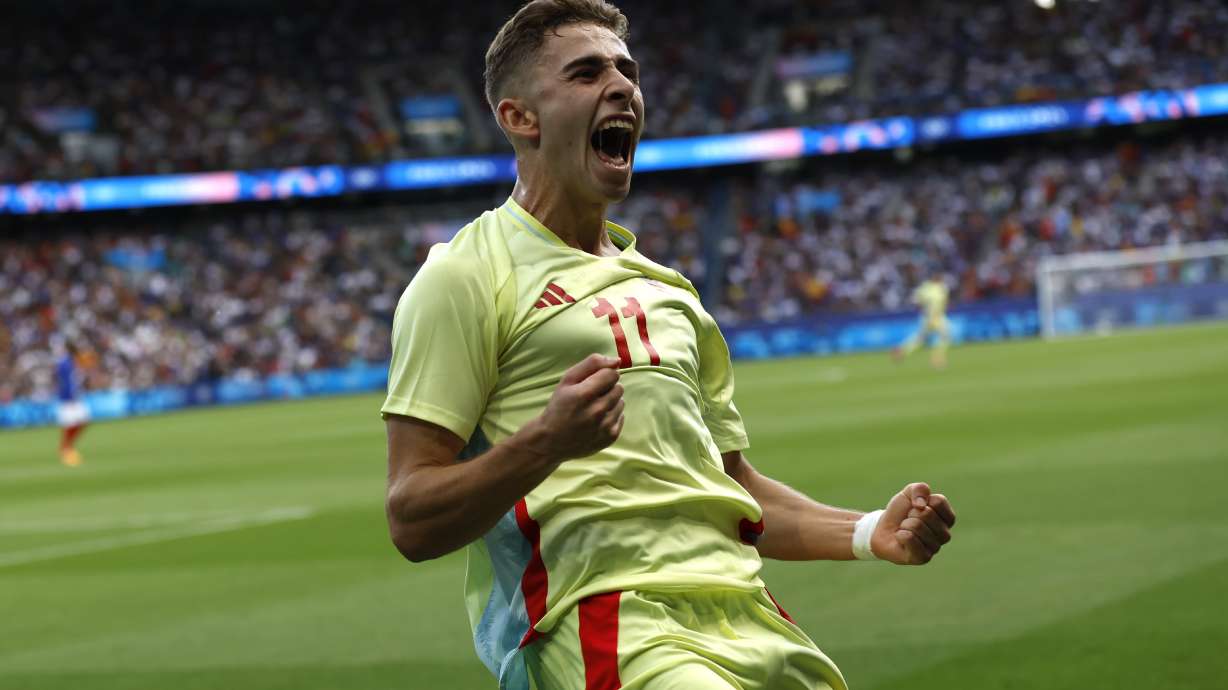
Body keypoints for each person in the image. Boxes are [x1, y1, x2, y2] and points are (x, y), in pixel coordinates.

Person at [381, 2, 956, 688]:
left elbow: (731, 488)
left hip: (748, 613)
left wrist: (867, 533)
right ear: (519, 117)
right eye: (587, 72)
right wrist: (546, 442)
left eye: (628, 71)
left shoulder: (671, 293)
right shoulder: (465, 275)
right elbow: (412, 516)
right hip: (608, 625)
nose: (622, 86)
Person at [893, 271, 952, 368]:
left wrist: (923, 308)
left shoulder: (925, 288)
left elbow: (915, 300)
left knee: (920, 339)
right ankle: (937, 358)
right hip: (937, 317)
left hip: (927, 317)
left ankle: (902, 349)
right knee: (945, 337)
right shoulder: (941, 288)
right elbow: (944, 303)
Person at [55, 342, 90, 467]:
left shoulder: (71, 362)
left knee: (83, 421)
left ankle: (67, 447)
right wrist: (70, 395)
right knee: (70, 423)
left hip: (74, 397)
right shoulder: (64, 363)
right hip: (68, 398)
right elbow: (65, 382)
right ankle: (65, 449)